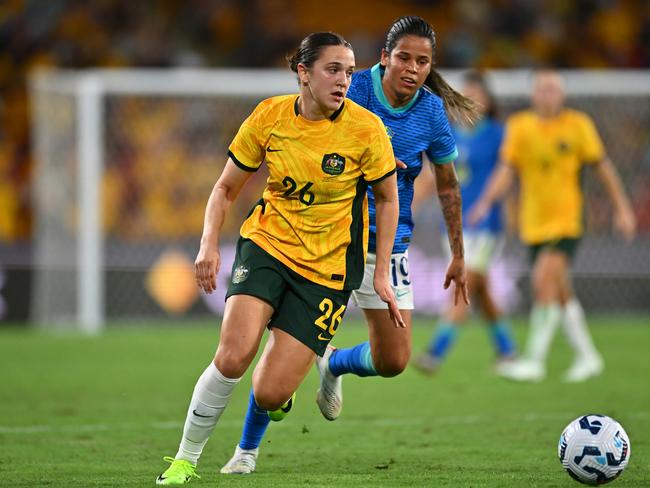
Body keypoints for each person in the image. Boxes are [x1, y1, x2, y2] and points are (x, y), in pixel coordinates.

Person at [221, 15, 472, 475]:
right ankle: (246, 450)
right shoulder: (346, 88)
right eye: (404, 58)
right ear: (384, 59)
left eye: (423, 61)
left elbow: (449, 186)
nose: (412, 69)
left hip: (387, 246)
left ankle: (333, 364)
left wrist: (458, 253)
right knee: (274, 371)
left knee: (394, 360)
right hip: (328, 243)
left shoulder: (431, 112)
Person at [155, 31, 404, 485]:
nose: (344, 80)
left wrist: (382, 269)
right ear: (303, 73)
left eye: (349, 71)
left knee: (269, 393)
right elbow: (226, 187)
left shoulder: (366, 129)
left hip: (328, 271)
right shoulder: (269, 116)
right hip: (267, 245)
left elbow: (388, 201)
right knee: (233, 355)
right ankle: (184, 460)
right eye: (333, 69)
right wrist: (208, 242)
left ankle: (284, 391)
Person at [468, 69, 636, 382]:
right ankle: (588, 357)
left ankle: (534, 360)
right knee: (560, 293)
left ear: (562, 95)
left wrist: (622, 209)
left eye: (553, 89)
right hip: (533, 224)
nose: (547, 94)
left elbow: (603, 168)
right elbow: (506, 170)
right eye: (542, 89)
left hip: (567, 221)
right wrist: (485, 202)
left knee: (544, 280)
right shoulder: (520, 127)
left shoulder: (578, 125)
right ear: (534, 94)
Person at [411, 70, 517, 374]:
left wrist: (490, 204)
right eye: (465, 95)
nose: (470, 101)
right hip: (455, 223)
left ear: (487, 101)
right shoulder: (449, 135)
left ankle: (436, 351)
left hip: (487, 223)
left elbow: (507, 173)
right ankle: (507, 350)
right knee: (480, 290)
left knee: (466, 282)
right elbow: (434, 178)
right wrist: (411, 204)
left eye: (476, 96)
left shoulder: (499, 134)